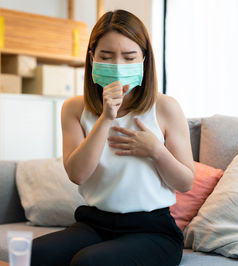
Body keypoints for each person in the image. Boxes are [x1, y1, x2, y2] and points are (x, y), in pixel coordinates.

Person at [31, 9, 195, 266]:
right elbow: (77, 174)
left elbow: (186, 182)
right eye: (106, 57)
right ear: (92, 58)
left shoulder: (165, 107)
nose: (118, 67)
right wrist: (106, 118)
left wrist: (156, 150)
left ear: (144, 59)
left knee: (90, 262)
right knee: (35, 253)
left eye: (129, 57)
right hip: (94, 223)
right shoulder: (74, 109)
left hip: (152, 230)